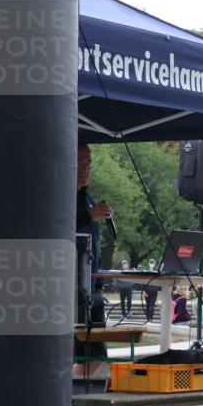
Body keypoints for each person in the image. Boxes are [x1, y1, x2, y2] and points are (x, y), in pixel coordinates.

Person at [74, 144, 114, 375]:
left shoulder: (85, 196)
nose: (87, 167)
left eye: (89, 162)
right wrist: (88, 216)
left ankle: (74, 394)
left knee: (96, 352)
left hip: (93, 285)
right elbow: (56, 227)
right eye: (81, 160)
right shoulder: (59, 193)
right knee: (73, 349)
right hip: (72, 287)